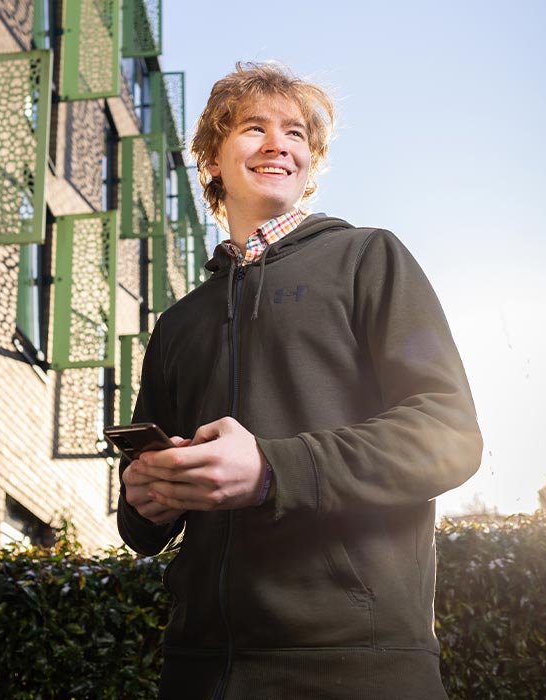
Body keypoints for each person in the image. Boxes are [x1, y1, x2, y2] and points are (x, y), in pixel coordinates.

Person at [118, 62, 482, 700]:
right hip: (198, 668)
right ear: (211, 160)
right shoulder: (177, 325)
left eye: (295, 134)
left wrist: (270, 469)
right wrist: (148, 500)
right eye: (253, 128)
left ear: (310, 163)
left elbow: (448, 437)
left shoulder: (369, 259)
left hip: (355, 665)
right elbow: (143, 522)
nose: (277, 143)